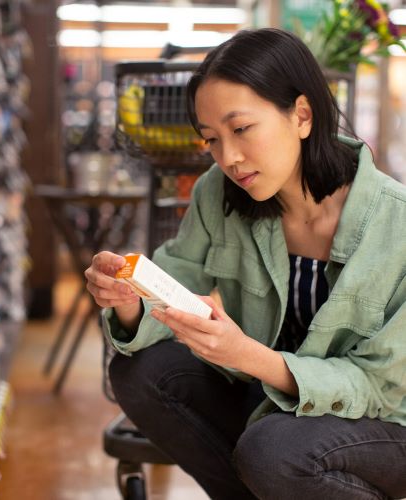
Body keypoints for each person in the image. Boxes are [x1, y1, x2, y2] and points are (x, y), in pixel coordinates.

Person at [85, 28, 406, 499]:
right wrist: (128, 299)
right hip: (278, 407)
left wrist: (248, 356)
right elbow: (176, 281)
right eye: (212, 139)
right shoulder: (218, 193)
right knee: (142, 373)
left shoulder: (395, 224)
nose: (228, 158)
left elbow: (382, 387)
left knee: (274, 451)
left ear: (301, 114)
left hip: (384, 420)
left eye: (241, 129)